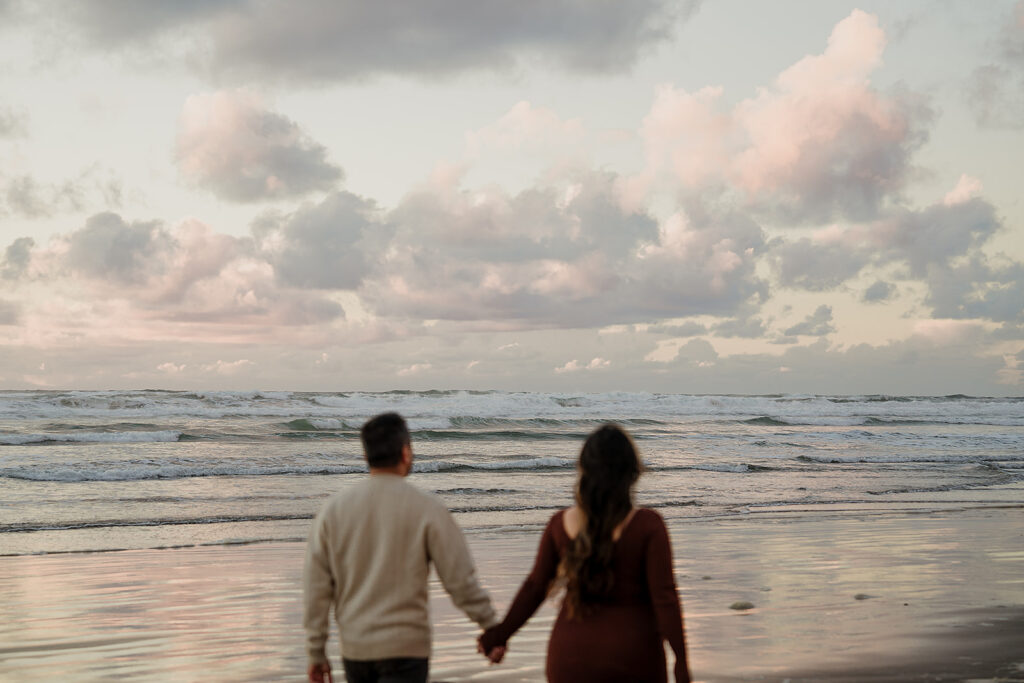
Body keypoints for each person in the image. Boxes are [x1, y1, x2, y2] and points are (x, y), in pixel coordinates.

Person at [478, 423, 691, 682]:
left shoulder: (559, 524)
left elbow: (534, 588)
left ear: (583, 471)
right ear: (633, 472)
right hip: (633, 659)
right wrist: (681, 663)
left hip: (569, 659)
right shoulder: (647, 525)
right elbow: (665, 599)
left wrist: (499, 636)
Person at [303, 412, 501, 683]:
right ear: (406, 452)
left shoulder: (333, 510)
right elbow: (460, 581)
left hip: (356, 651)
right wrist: (491, 627)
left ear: (366, 456)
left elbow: (317, 588)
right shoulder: (427, 507)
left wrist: (315, 652)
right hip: (406, 649)